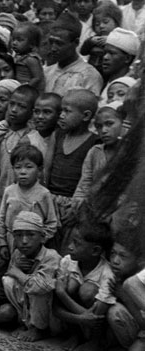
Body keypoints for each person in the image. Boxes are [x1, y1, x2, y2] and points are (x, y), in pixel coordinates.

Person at [0, 212, 60, 341]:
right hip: (28, 308)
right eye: (18, 236)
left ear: (43, 237)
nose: (24, 241)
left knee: (37, 286)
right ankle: (26, 323)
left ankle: (39, 329)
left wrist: (16, 271)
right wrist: (17, 270)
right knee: (9, 281)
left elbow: (39, 287)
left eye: (31, 235)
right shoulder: (18, 253)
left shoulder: (51, 256)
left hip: (54, 317)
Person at [46, 89, 98, 253]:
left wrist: (77, 208)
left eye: (67, 111)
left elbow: (89, 180)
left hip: (74, 206)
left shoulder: (94, 143)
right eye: (61, 110)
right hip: (50, 201)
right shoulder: (58, 135)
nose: (61, 115)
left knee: (66, 249)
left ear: (86, 116)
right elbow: (46, 170)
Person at [51, 220, 114, 351]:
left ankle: (96, 342)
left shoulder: (107, 273)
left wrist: (62, 294)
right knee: (71, 285)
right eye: (71, 241)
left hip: (99, 324)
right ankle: (76, 335)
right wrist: (81, 318)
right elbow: (55, 309)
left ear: (95, 251)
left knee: (88, 290)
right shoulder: (67, 262)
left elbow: (97, 318)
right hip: (80, 319)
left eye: (76, 243)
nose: (70, 247)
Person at [0, 143, 57, 260]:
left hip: (35, 245)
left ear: (39, 170)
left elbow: (52, 223)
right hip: (12, 241)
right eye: (18, 167)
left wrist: (39, 241)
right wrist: (2, 242)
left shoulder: (44, 194)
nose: (23, 172)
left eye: (29, 167)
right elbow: (2, 218)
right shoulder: (9, 191)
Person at [43, 14, 103, 98]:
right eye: (51, 42)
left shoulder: (89, 75)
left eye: (59, 43)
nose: (53, 48)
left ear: (76, 43)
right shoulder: (46, 71)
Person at [11, 23, 45, 92]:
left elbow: (37, 78)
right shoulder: (18, 56)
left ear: (32, 44)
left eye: (19, 40)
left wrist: (25, 88)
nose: (14, 43)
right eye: (13, 39)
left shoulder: (31, 59)